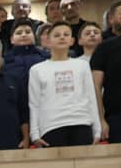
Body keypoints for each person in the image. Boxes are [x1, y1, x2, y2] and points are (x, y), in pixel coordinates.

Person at [28, 17, 104, 147]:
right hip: (51, 126)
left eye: (66, 34)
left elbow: (91, 97)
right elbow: (34, 104)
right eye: (57, 35)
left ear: (72, 40)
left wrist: (97, 129)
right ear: (48, 40)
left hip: (81, 123)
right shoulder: (37, 69)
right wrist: (34, 134)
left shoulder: (82, 65)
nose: (62, 37)